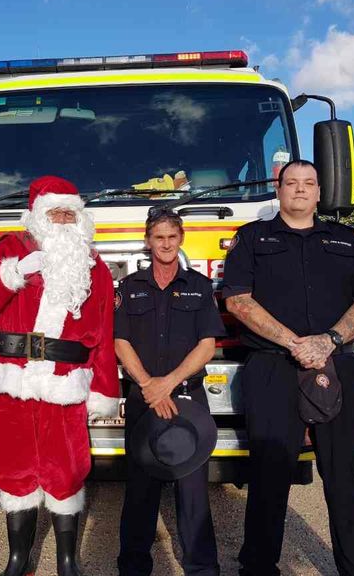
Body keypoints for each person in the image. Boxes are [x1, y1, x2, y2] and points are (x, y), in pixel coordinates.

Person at [222, 160, 354, 576]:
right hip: (273, 368)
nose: (299, 190)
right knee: (269, 476)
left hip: (337, 365)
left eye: (308, 183)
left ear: (318, 193)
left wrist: (328, 340)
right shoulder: (251, 238)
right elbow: (237, 300)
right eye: (291, 183)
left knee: (344, 475)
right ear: (278, 190)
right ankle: (258, 568)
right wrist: (296, 343)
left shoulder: (346, 241)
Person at [0, 175, 120, 576]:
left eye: (71, 211)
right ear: (37, 215)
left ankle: (67, 560)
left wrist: (104, 390)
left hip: (65, 383)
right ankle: (18, 559)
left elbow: (104, 332)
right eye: (56, 211)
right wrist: (12, 272)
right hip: (12, 381)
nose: (64, 218)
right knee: (13, 466)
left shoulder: (95, 267)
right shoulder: (11, 249)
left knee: (66, 469)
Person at [115, 208, 226, 576]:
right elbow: (120, 342)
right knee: (140, 489)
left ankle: (202, 568)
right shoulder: (130, 288)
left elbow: (207, 345)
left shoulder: (199, 285)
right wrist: (149, 385)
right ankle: (133, 567)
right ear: (148, 241)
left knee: (193, 491)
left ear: (181, 239)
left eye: (172, 237)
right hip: (143, 400)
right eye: (158, 237)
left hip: (187, 400)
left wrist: (169, 383)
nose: (165, 244)